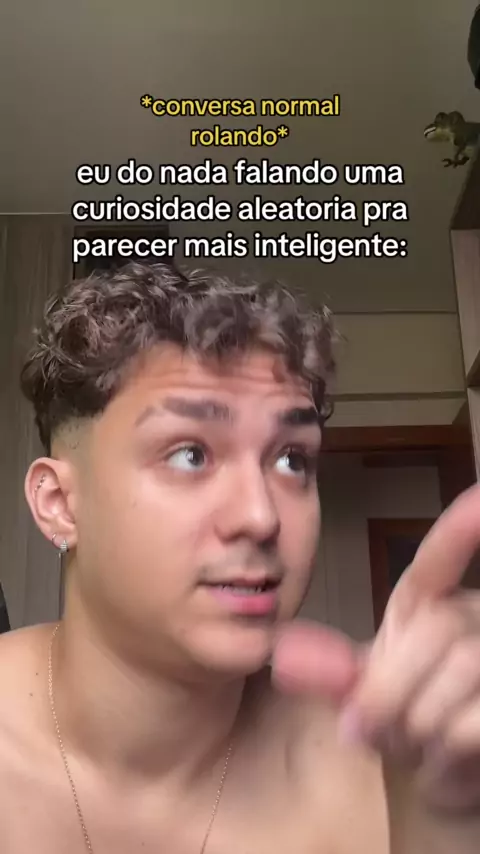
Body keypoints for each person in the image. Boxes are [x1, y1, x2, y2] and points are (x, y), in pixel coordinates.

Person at [1, 261, 479, 853]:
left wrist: (446, 821)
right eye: (190, 455)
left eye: (291, 459)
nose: (261, 516)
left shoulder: (389, 778)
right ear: (59, 504)